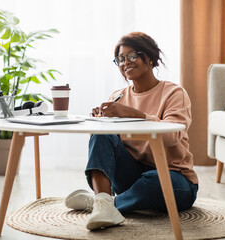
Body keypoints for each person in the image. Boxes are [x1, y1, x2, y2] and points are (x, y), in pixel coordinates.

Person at [65, 32, 199, 231]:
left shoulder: (174, 93)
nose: (125, 62)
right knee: (101, 134)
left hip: (175, 178)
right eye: (120, 58)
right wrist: (101, 123)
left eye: (132, 56)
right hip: (130, 177)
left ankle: (102, 204)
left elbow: (172, 137)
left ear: (150, 58)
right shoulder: (118, 96)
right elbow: (106, 147)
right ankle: (104, 201)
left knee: (155, 180)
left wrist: (135, 114)